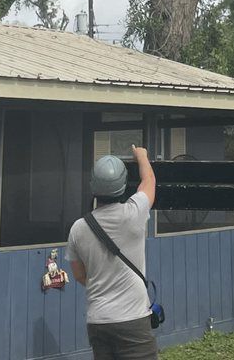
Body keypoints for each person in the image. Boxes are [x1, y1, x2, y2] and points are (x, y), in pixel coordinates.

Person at [66, 145, 157, 360]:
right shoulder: (134, 214)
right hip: (133, 320)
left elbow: (79, 275)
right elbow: (149, 181)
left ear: (93, 186)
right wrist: (142, 156)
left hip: (98, 322)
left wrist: (103, 283)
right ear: (123, 186)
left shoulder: (78, 228)